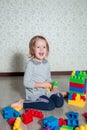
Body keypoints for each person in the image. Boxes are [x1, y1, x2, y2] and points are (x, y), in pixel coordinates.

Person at [11, 35, 68, 111]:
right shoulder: (30, 64)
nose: (41, 49)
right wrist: (43, 84)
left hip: (46, 92)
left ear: (47, 49)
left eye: (44, 47)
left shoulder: (46, 63)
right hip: (35, 94)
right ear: (32, 50)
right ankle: (23, 103)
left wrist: (51, 85)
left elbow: (48, 79)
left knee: (59, 102)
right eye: (38, 47)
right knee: (50, 105)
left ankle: (60, 94)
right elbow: (26, 83)